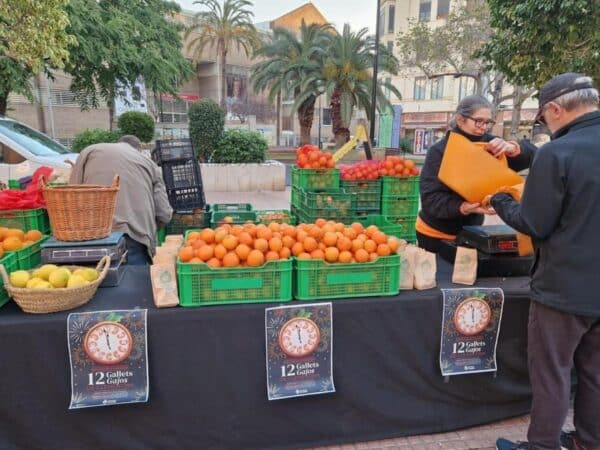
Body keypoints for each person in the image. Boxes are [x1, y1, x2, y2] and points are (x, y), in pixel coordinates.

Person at [491, 73, 600, 450]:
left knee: (552, 373)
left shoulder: (558, 153)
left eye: (542, 118)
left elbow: (535, 224)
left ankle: (541, 446)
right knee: (595, 374)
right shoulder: (562, 150)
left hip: (563, 291)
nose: (546, 126)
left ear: (555, 109)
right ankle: (589, 441)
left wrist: (500, 200)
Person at [416, 95, 536, 253]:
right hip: (435, 233)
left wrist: (512, 148)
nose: (484, 127)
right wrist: (463, 207)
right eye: (478, 121)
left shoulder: (493, 146)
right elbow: (430, 199)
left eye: (488, 122)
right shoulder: (439, 151)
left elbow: (537, 156)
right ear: (460, 119)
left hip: (472, 232)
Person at [69, 135, 173, 264]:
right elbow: (164, 214)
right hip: (133, 234)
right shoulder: (148, 163)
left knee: (91, 279)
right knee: (132, 280)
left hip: (92, 233)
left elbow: (71, 192)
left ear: (118, 143)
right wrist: (153, 228)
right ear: (138, 149)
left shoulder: (90, 151)